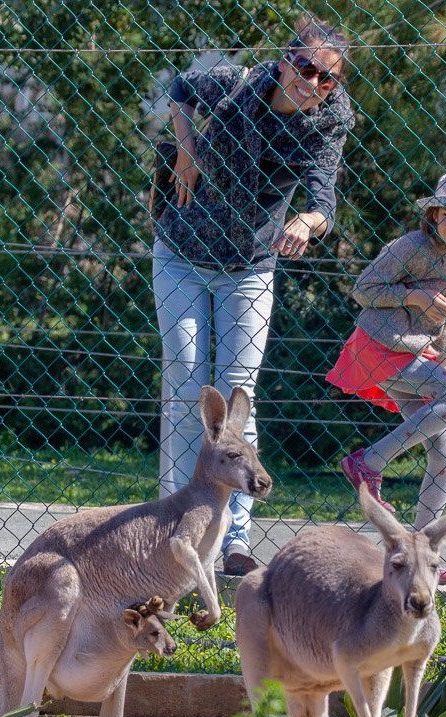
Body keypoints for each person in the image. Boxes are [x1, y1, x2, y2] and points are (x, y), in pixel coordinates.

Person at [153, 17, 355, 575]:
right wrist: (187, 147)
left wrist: (308, 222)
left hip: (250, 265)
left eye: (327, 78)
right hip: (181, 252)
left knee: (239, 395)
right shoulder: (238, 84)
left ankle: (235, 538)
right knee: (187, 379)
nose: (313, 83)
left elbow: (323, 198)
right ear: (285, 61)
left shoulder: (328, 122)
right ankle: (175, 524)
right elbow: (180, 89)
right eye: (306, 68)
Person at [326, 170, 446, 584]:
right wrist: (413, 295)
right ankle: (367, 462)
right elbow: (364, 289)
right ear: (434, 213)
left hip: (425, 360)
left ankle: (421, 556)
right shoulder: (409, 246)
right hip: (381, 347)